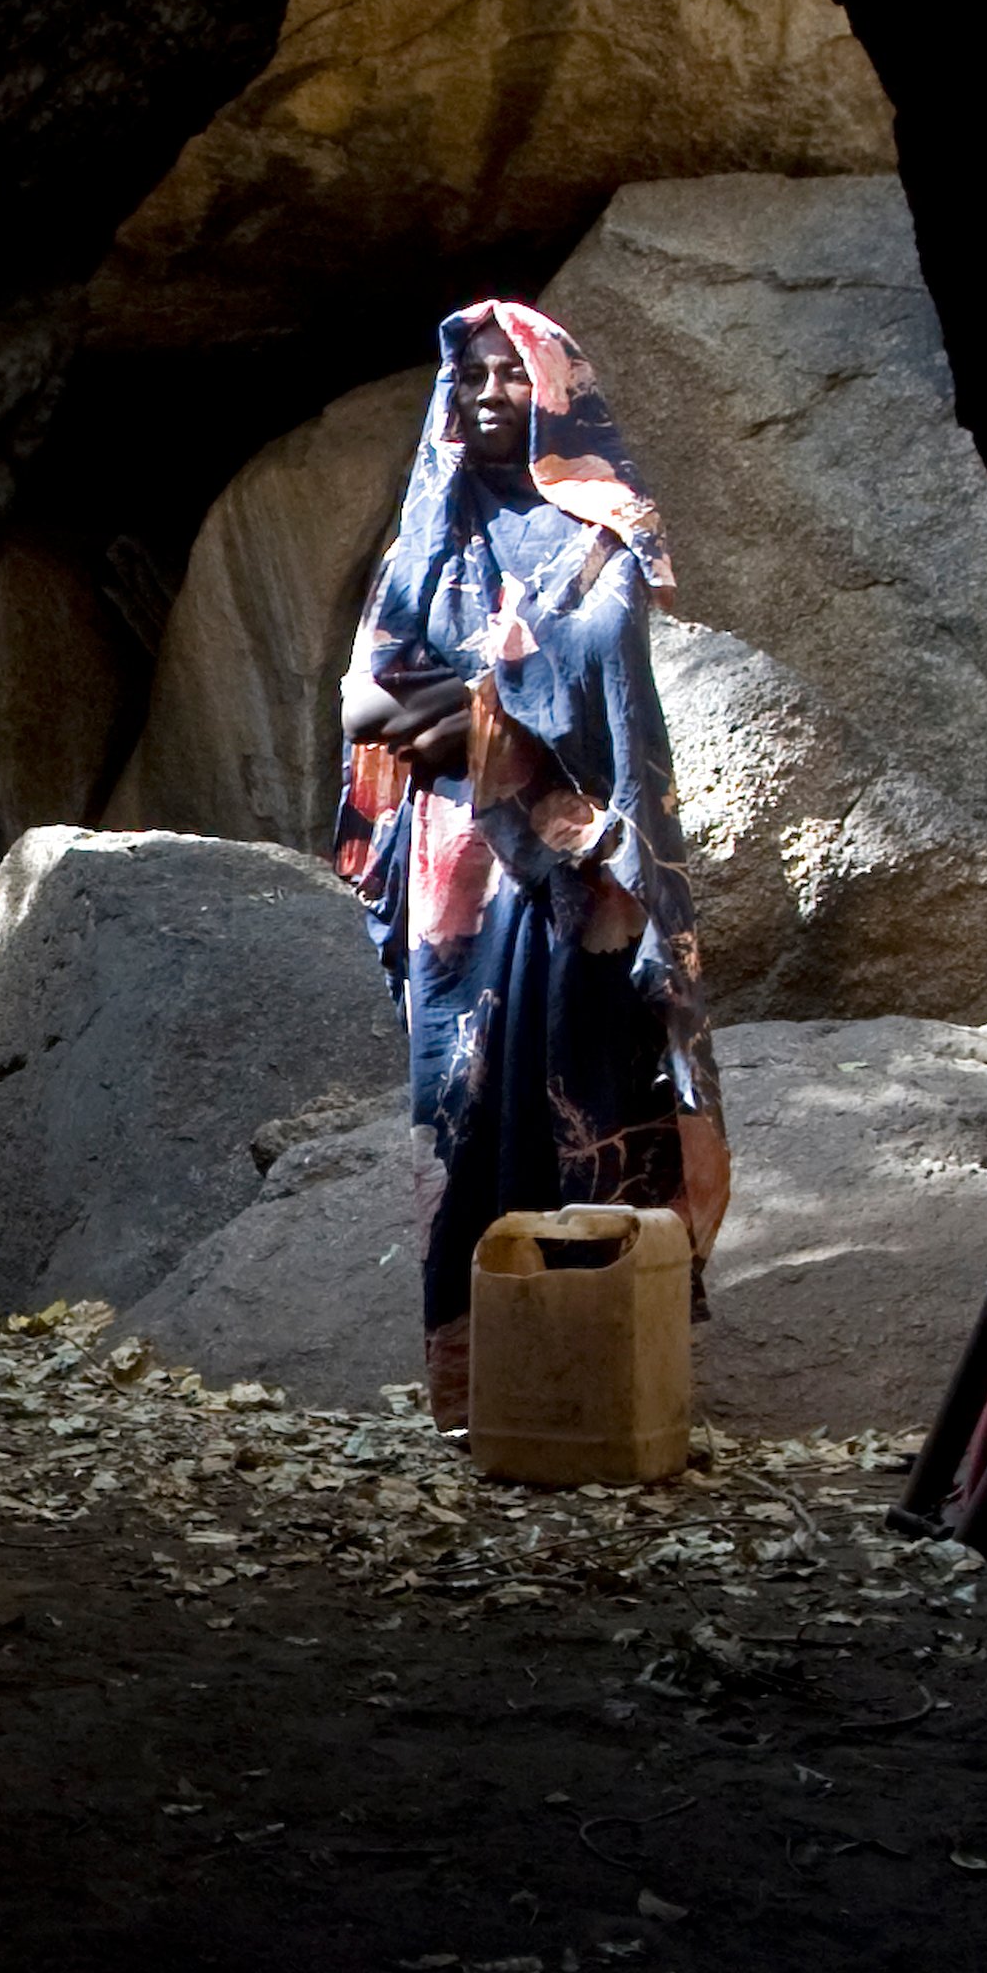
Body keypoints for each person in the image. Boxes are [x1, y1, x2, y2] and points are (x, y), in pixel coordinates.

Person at [333, 298, 729, 1426]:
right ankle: (488, 1394)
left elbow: (602, 675)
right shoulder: (433, 530)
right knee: (465, 1108)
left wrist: (469, 721)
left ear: (557, 386)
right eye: (472, 377)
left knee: (589, 1094)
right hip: (457, 875)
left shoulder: (607, 528)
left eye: (512, 373)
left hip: (582, 872)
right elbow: (366, 692)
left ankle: (605, 1387)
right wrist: (476, 707)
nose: (489, 394)